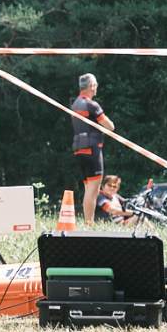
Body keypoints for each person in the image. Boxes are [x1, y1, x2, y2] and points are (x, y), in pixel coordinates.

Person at [68, 73, 114, 224]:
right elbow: (110, 126)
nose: (96, 88)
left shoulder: (75, 104)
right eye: (95, 85)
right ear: (91, 86)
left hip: (78, 149)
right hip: (92, 149)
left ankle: (88, 221)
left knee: (88, 188)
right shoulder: (92, 105)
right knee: (93, 189)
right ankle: (89, 222)